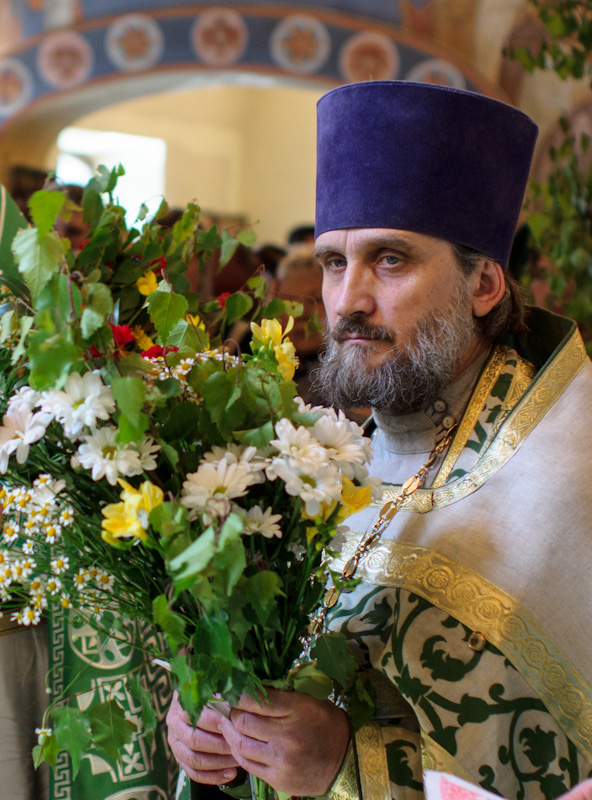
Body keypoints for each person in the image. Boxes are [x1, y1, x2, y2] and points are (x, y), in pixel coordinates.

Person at [167, 81, 592, 800]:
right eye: (335, 262)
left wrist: (354, 768)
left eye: (389, 260)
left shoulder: (571, 470)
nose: (347, 301)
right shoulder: (338, 458)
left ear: (484, 283)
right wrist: (212, 718)